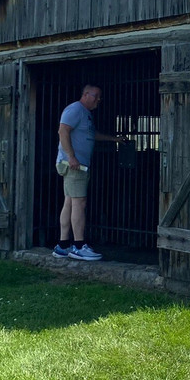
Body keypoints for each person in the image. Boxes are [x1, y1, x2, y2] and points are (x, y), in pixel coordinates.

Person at [53, 84, 121, 261]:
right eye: (96, 95)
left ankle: (62, 245)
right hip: (75, 166)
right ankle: (78, 246)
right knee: (79, 203)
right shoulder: (75, 109)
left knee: (69, 202)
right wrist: (72, 157)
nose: (99, 99)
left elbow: (92, 134)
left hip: (76, 164)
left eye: (100, 96)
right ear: (85, 95)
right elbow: (63, 130)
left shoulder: (85, 114)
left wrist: (114, 139)